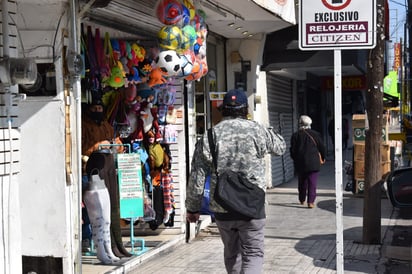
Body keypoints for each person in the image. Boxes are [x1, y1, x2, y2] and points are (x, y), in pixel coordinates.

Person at [186, 89, 286, 274]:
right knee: (253, 254)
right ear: (245, 110)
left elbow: (197, 176)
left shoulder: (209, 136)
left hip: (223, 206)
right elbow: (280, 147)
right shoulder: (258, 130)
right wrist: (265, 128)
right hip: (252, 205)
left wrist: (193, 208)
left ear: (223, 109)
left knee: (232, 254)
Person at [290, 115, 326, 208]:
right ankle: (311, 202)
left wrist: (295, 159)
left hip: (301, 162)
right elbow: (322, 147)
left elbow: (292, 150)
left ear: (300, 124)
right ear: (310, 124)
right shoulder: (316, 134)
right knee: (312, 182)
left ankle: (302, 199)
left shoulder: (295, 135)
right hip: (313, 162)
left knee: (302, 182)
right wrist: (323, 156)